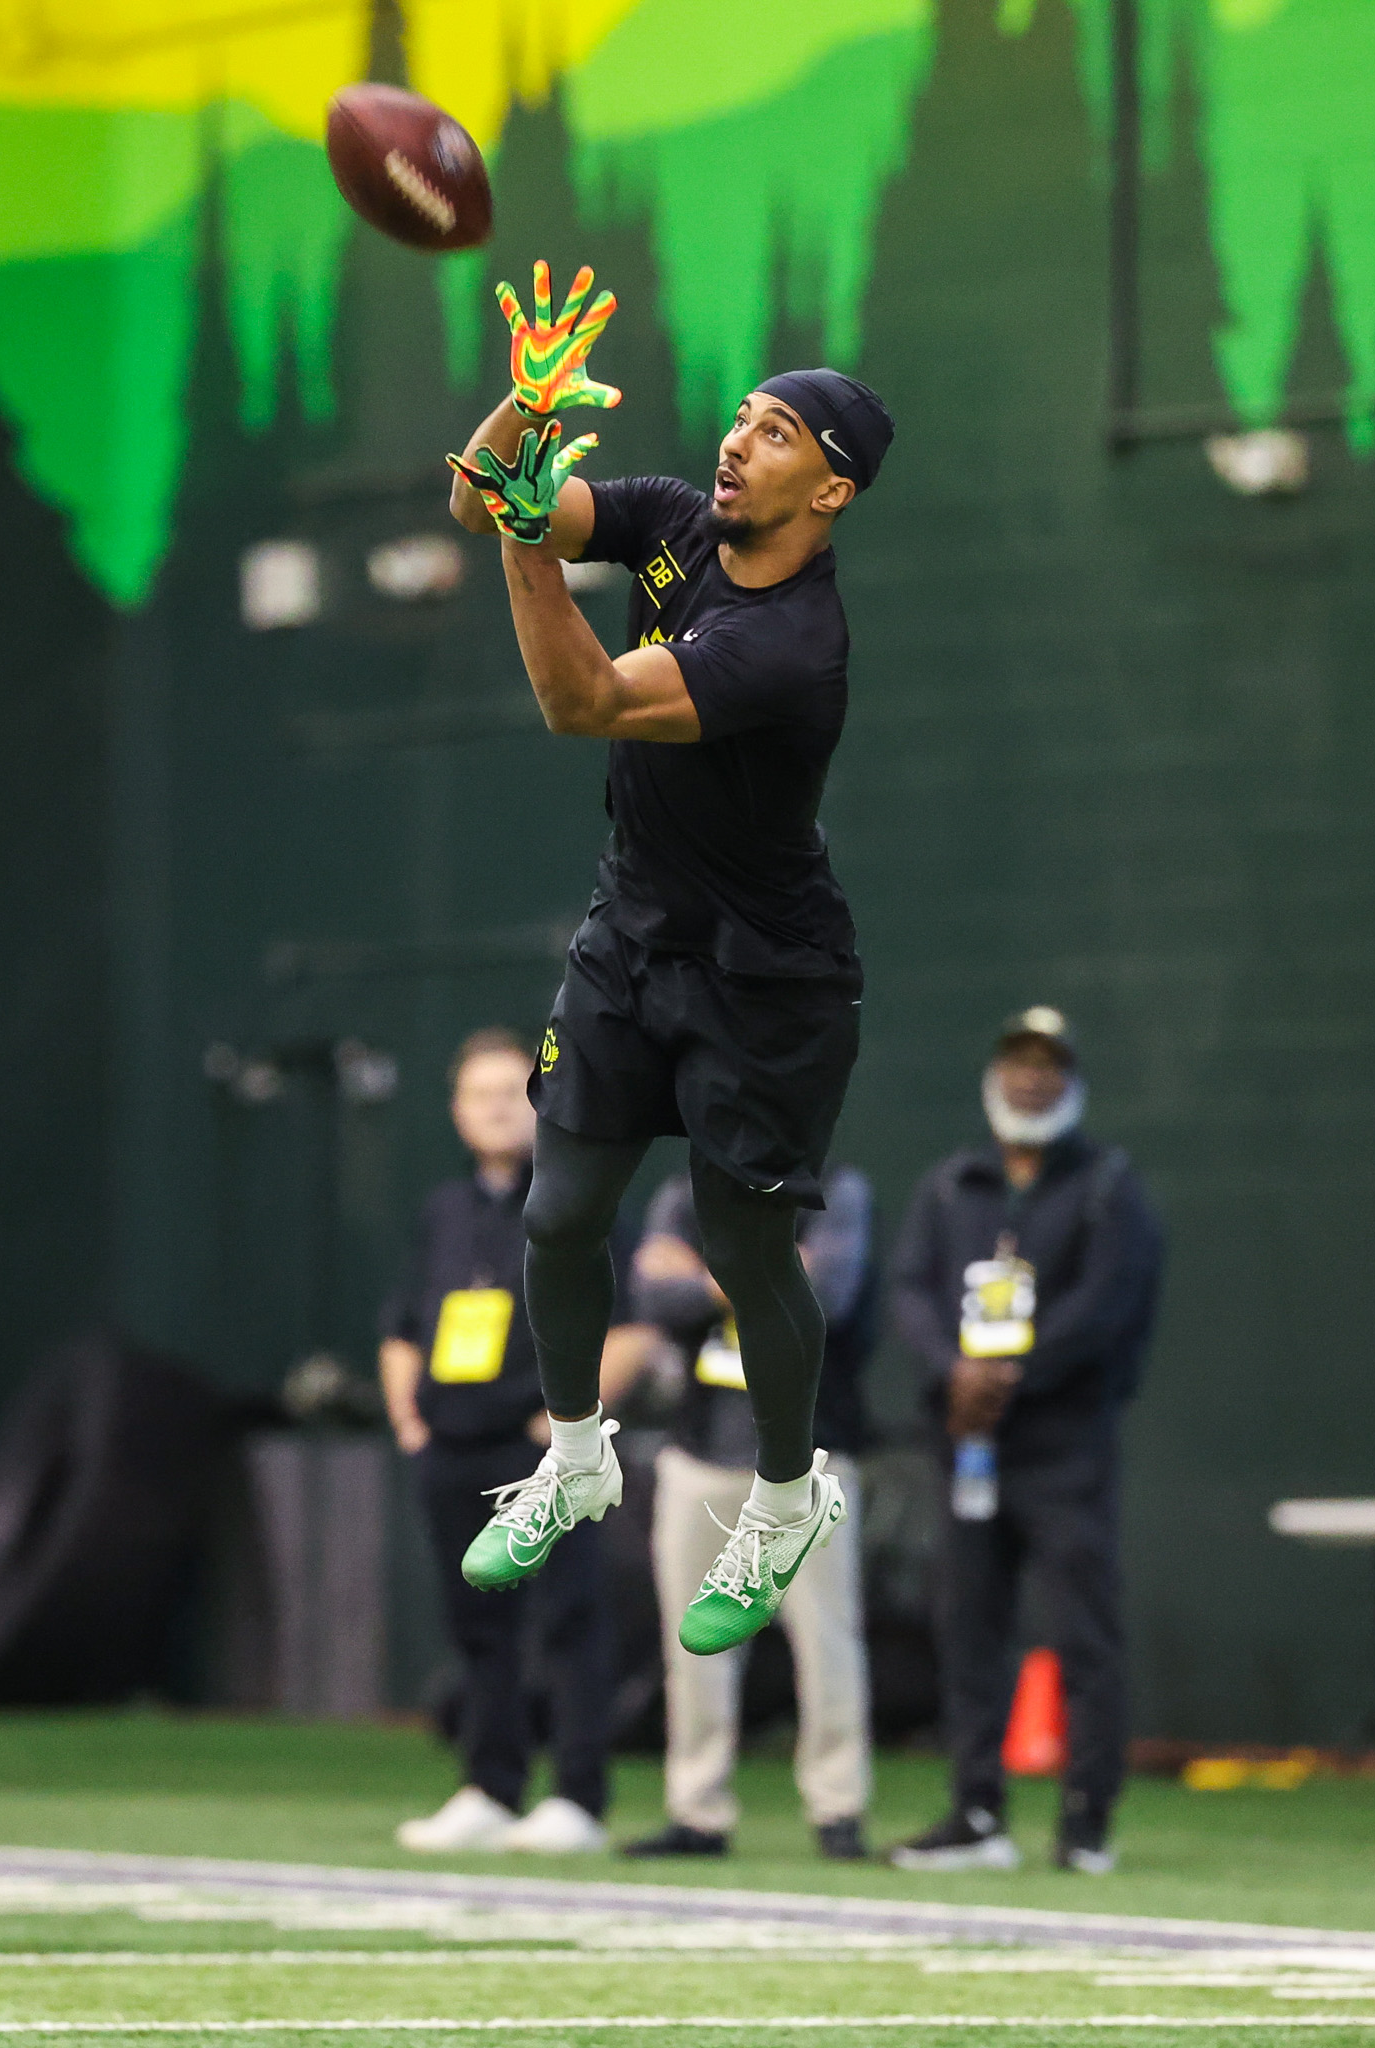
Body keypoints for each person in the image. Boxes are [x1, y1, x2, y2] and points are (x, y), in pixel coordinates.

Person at [443, 261, 895, 1655]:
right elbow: (479, 500)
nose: (737, 440)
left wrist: (526, 542)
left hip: (766, 977)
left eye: (776, 433)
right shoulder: (674, 521)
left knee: (742, 1248)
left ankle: (786, 1495)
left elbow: (580, 697)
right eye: (742, 415)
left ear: (829, 491)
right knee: (557, 1212)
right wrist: (524, 412)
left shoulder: (792, 646)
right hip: (630, 931)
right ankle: (578, 1455)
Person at [888, 1008, 1163, 1875]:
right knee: (969, 1627)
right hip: (969, 1442)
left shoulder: (1107, 1185)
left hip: (1064, 1445)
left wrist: (1016, 1372)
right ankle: (976, 1813)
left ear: (1071, 1081)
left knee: (1083, 1631)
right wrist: (955, 1372)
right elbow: (911, 1289)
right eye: (1017, 1064)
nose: (1031, 1081)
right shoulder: (952, 1185)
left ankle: (1086, 1821)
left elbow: (1107, 1302)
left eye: (1048, 1067)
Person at [379, 1027, 656, 1854]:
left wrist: (566, 1424)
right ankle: (490, 1787)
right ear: (457, 1111)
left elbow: (635, 1329)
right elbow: (403, 1325)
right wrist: (410, 1418)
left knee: (568, 1618)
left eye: (513, 1092)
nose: (496, 1109)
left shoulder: (584, 1197)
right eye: (479, 1094)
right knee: (477, 1625)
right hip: (453, 1446)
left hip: (544, 1453)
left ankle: (577, 1798)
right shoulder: (444, 1210)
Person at [623, 1162, 878, 1862]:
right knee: (696, 1644)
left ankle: (838, 1808)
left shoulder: (835, 1187)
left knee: (826, 1642)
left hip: (808, 1458)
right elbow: (652, 1296)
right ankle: (697, 1810)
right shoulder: (685, 1191)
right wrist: (767, 1267)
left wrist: (706, 1272)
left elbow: (827, 1292)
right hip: (700, 1453)